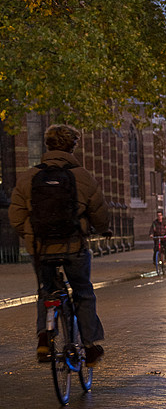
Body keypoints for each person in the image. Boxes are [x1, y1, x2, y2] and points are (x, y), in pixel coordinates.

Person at [9, 124, 110, 365]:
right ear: (72, 146)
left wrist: (31, 235)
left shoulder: (29, 177)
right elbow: (99, 213)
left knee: (46, 291)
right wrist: (102, 229)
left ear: (47, 145)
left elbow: (15, 216)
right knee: (83, 292)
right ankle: (89, 346)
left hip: (41, 249)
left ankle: (44, 337)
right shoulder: (82, 177)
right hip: (73, 247)